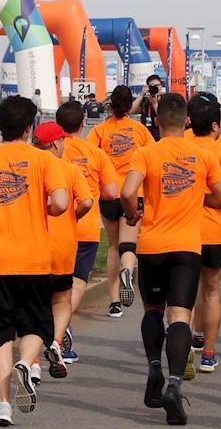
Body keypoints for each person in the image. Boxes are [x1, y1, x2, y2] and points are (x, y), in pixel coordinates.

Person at [122, 91, 221, 425]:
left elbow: (128, 192)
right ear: (186, 121)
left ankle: (154, 367)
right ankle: (174, 383)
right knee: (181, 316)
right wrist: (197, 197)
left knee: (153, 311)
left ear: (157, 122)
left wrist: (132, 214)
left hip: (152, 245)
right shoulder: (201, 155)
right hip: (187, 246)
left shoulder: (145, 153)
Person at [0, 95, 69, 425]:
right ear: (29, 128)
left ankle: (3, 403)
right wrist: (46, 210)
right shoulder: (43, 161)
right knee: (37, 325)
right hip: (35, 260)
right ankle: (26, 361)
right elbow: (62, 202)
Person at [58, 99, 120, 364]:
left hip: (54, 226)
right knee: (79, 280)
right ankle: (59, 331)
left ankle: (56, 329)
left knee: (56, 282)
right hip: (85, 227)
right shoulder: (95, 153)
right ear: (83, 123)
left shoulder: (50, 151)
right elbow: (111, 192)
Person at [33, 121, 94, 380]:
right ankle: (56, 342)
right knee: (61, 300)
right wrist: (74, 216)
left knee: (35, 305)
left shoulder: (30, 169)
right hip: (63, 248)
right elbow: (88, 201)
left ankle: (32, 360)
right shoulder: (69, 170)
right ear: (57, 143)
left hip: (34, 248)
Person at [89, 85, 154, 317]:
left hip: (108, 193)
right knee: (129, 244)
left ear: (110, 104)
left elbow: (89, 158)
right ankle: (128, 269)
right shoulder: (139, 130)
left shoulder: (99, 130)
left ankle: (114, 302)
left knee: (114, 245)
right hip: (132, 192)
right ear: (129, 107)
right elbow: (153, 157)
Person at [189, 92, 221, 375]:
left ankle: (185, 348)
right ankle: (208, 353)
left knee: (184, 292)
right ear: (216, 126)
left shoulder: (178, 144)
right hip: (214, 231)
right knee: (211, 292)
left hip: (181, 230)